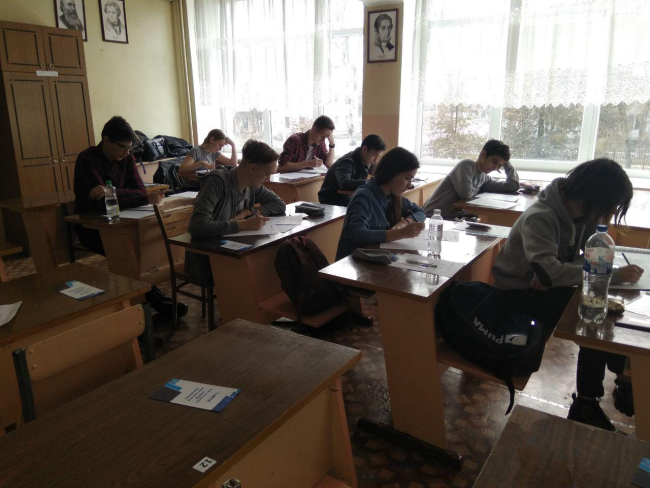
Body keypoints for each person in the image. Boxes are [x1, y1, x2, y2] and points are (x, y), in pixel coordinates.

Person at [491, 158, 644, 431]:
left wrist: (558, 272)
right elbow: (554, 273)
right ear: (593, 196)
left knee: (600, 311)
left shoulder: (583, 215)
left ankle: (619, 379)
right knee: (593, 319)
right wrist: (609, 274)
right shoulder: (541, 216)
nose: (609, 215)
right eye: (610, 207)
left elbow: (585, 260)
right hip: (517, 293)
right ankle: (597, 395)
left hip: (544, 287)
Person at [73, 116, 185, 317]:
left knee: (145, 243)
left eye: (129, 148)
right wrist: (135, 197)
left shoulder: (127, 159)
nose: (126, 153)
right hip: (94, 227)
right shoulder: (87, 159)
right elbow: (102, 203)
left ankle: (148, 300)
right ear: (106, 140)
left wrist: (112, 191)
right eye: (122, 148)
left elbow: (140, 192)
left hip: (124, 221)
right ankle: (150, 304)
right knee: (129, 251)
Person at [185, 140, 286, 284]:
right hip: (207, 259)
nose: (267, 179)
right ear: (252, 168)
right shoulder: (217, 181)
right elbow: (197, 226)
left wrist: (247, 212)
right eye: (266, 174)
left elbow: (279, 204)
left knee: (270, 262)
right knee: (261, 272)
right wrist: (243, 224)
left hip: (234, 252)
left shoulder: (251, 185)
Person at [336, 147, 426, 260]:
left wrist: (405, 223)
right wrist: (400, 233)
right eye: (407, 178)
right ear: (392, 173)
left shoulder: (393, 196)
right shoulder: (364, 196)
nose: (410, 185)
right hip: (353, 263)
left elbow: (420, 212)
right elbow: (358, 234)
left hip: (378, 259)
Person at [422, 139, 519, 219]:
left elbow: (512, 186)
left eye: (499, 166)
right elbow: (466, 194)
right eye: (494, 162)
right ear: (483, 154)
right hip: (430, 218)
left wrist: (507, 164)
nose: (495, 168)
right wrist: (477, 189)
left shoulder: (483, 177)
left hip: (450, 219)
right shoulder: (466, 165)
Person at [318, 134, 387, 207]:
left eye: (378, 157)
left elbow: (377, 174)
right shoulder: (347, 162)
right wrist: (367, 182)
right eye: (375, 155)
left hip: (346, 198)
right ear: (364, 149)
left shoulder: (366, 160)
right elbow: (344, 184)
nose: (376, 160)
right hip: (332, 200)